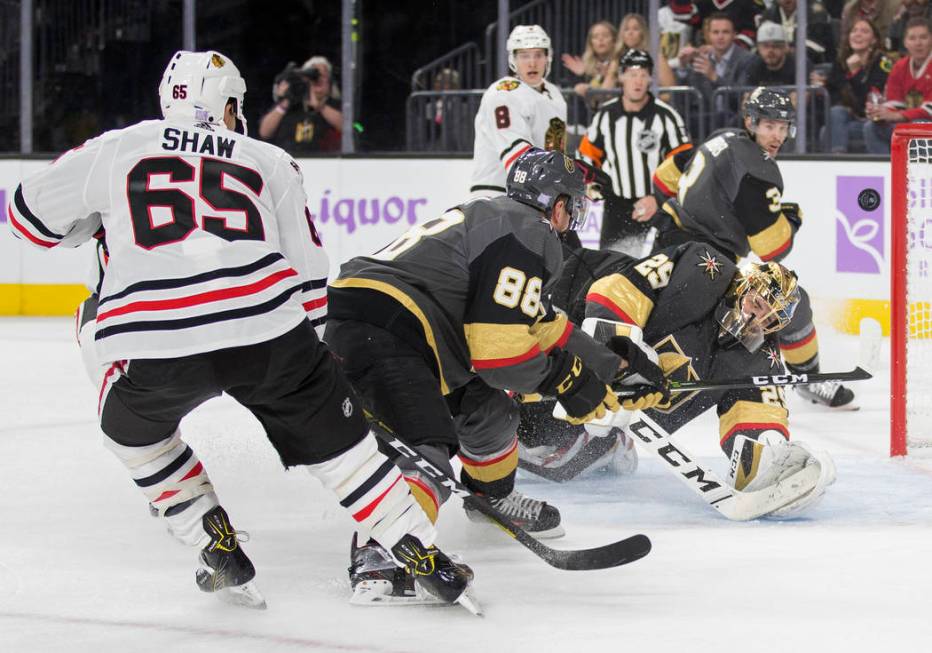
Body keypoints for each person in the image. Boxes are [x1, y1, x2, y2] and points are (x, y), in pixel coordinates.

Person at [7, 50, 474, 611]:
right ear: (226, 104)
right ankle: (417, 549)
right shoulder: (269, 158)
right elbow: (306, 277)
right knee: (348, 455)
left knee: (132, 431)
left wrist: (96, 220)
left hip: (159, 337)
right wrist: (320, 368)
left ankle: (214, 541)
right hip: (268, 329)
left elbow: (25, 218)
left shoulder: (118, 147)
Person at [325, 149, 668, 599]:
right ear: (558, 205)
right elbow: (498, 356)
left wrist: (614, 367)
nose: (573, 217)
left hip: (387, 326)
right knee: (429, 444)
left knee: (490, 413)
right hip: (387, 331)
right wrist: (566, 380)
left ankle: (490, 498)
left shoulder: (501, 220)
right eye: (573, 204)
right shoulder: (530, 231)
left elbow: (544, 325)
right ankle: (381, 551)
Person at [518, 244, 835, 520]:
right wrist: (612, 361)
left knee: (561, 463)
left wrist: (774, 465)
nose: (757, 319)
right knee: (518, 419)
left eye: (769, 318)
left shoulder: (760, 358)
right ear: (744, 286)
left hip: (620, 413)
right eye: (757, 303)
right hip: (570, 307)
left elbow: (758, 422)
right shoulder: (704, 266)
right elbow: (615, 290)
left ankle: (612, 446)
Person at [652, 87, 858, 409]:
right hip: (705, 266)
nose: (776, 135)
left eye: (782, 127)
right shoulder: (757, 168)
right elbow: (773, 250)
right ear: (751, 122)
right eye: (768, 126)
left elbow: (664, 178)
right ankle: (807, 378)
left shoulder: (722, 136)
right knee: (789, 298)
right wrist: (791, 219)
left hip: (664, 248)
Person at [577, 49, 690, 253]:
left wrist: (658, 198)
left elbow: (684, 164)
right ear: (621, 77)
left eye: (643, 75)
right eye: (631, 74)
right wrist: (592, 185)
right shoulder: (605, 115)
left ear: (650, 79)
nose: (637, 81)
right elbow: (587, 155)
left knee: (661, 273)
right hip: (617, 209)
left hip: (659, 208)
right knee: (612, 272)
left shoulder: (667, 117)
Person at [470, 25, 567, 197]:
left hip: (537, 194)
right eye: (524, 56)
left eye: (538, 55)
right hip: (496, 193)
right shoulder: (503, 93)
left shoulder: (554, 94)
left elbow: (555, 149)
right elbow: (517, 157)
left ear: (547, 57)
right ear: (513, 60)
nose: (532, 62)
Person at [813, 18, 892, 153]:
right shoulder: (841, 62)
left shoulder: (883, 63)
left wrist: (856, 72)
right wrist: (820, 89)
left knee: (828, 131)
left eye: (864, 31)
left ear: (874, 40)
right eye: (854, 31)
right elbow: (833, 97)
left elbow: (870, 100)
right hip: (851, 120)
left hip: (875, 123)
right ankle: (838, 159)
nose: (857, 34)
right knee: (835, 114)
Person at [864, 17, 932, 154]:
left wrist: (898, 116)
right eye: (912, 38)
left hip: (924, 124)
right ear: (905, 43)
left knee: (918, 125)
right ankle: (885, 170)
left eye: (923, 37)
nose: (918, 43)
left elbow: (930, 109)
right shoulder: (900, 67)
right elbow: (895, 103)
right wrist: (879, 111)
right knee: (870, 127)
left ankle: (918, 173)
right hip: (908, 122)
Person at [676, 11, 755, 123]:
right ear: (708, 35)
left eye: (725, 32)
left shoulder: (747, 59)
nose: (720, 37)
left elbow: (741, 97)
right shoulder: (702, 58)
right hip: (706, 125)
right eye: (715, 32)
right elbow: (686, 99)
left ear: (734, 34)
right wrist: (682, 67)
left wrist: (714, 77)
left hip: (738, 124)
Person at [258, 56, 342, 154]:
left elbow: (348, 128)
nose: (318, 80)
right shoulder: (293, 104)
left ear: (330, 81)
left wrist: (320, 106)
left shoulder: (336, 104)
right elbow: (264, 132)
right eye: (314, 75)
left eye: (323, 76)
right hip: (289, 160)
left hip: (323, 161)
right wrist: (284, 101)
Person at [561, 20, 619, 106]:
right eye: (595, 37)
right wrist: (581, 75)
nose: (600, 39)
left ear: (614, 40)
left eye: (605, 35)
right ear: (591, 43)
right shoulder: (585, 66)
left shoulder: (620, 62)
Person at [760, 0, 837, 63]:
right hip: (779, 65)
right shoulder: (769, 14)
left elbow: (813, 50)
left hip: (815, 65)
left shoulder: (816, 12)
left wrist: (783, 50)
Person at [742, 21, 810, 87]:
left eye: (776, 46)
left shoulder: (799, 65)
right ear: (758, 48)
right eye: (765, 46)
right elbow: (747, 95)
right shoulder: (752, 65)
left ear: (785, 47)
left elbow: (800, 96)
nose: (770, 50)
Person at [617, 13, 678, 86]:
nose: (630, 33)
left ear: (643, 33)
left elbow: (670, 92)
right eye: (626, 29)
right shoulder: (617, 60)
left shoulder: (656, 59)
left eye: (635, 29)